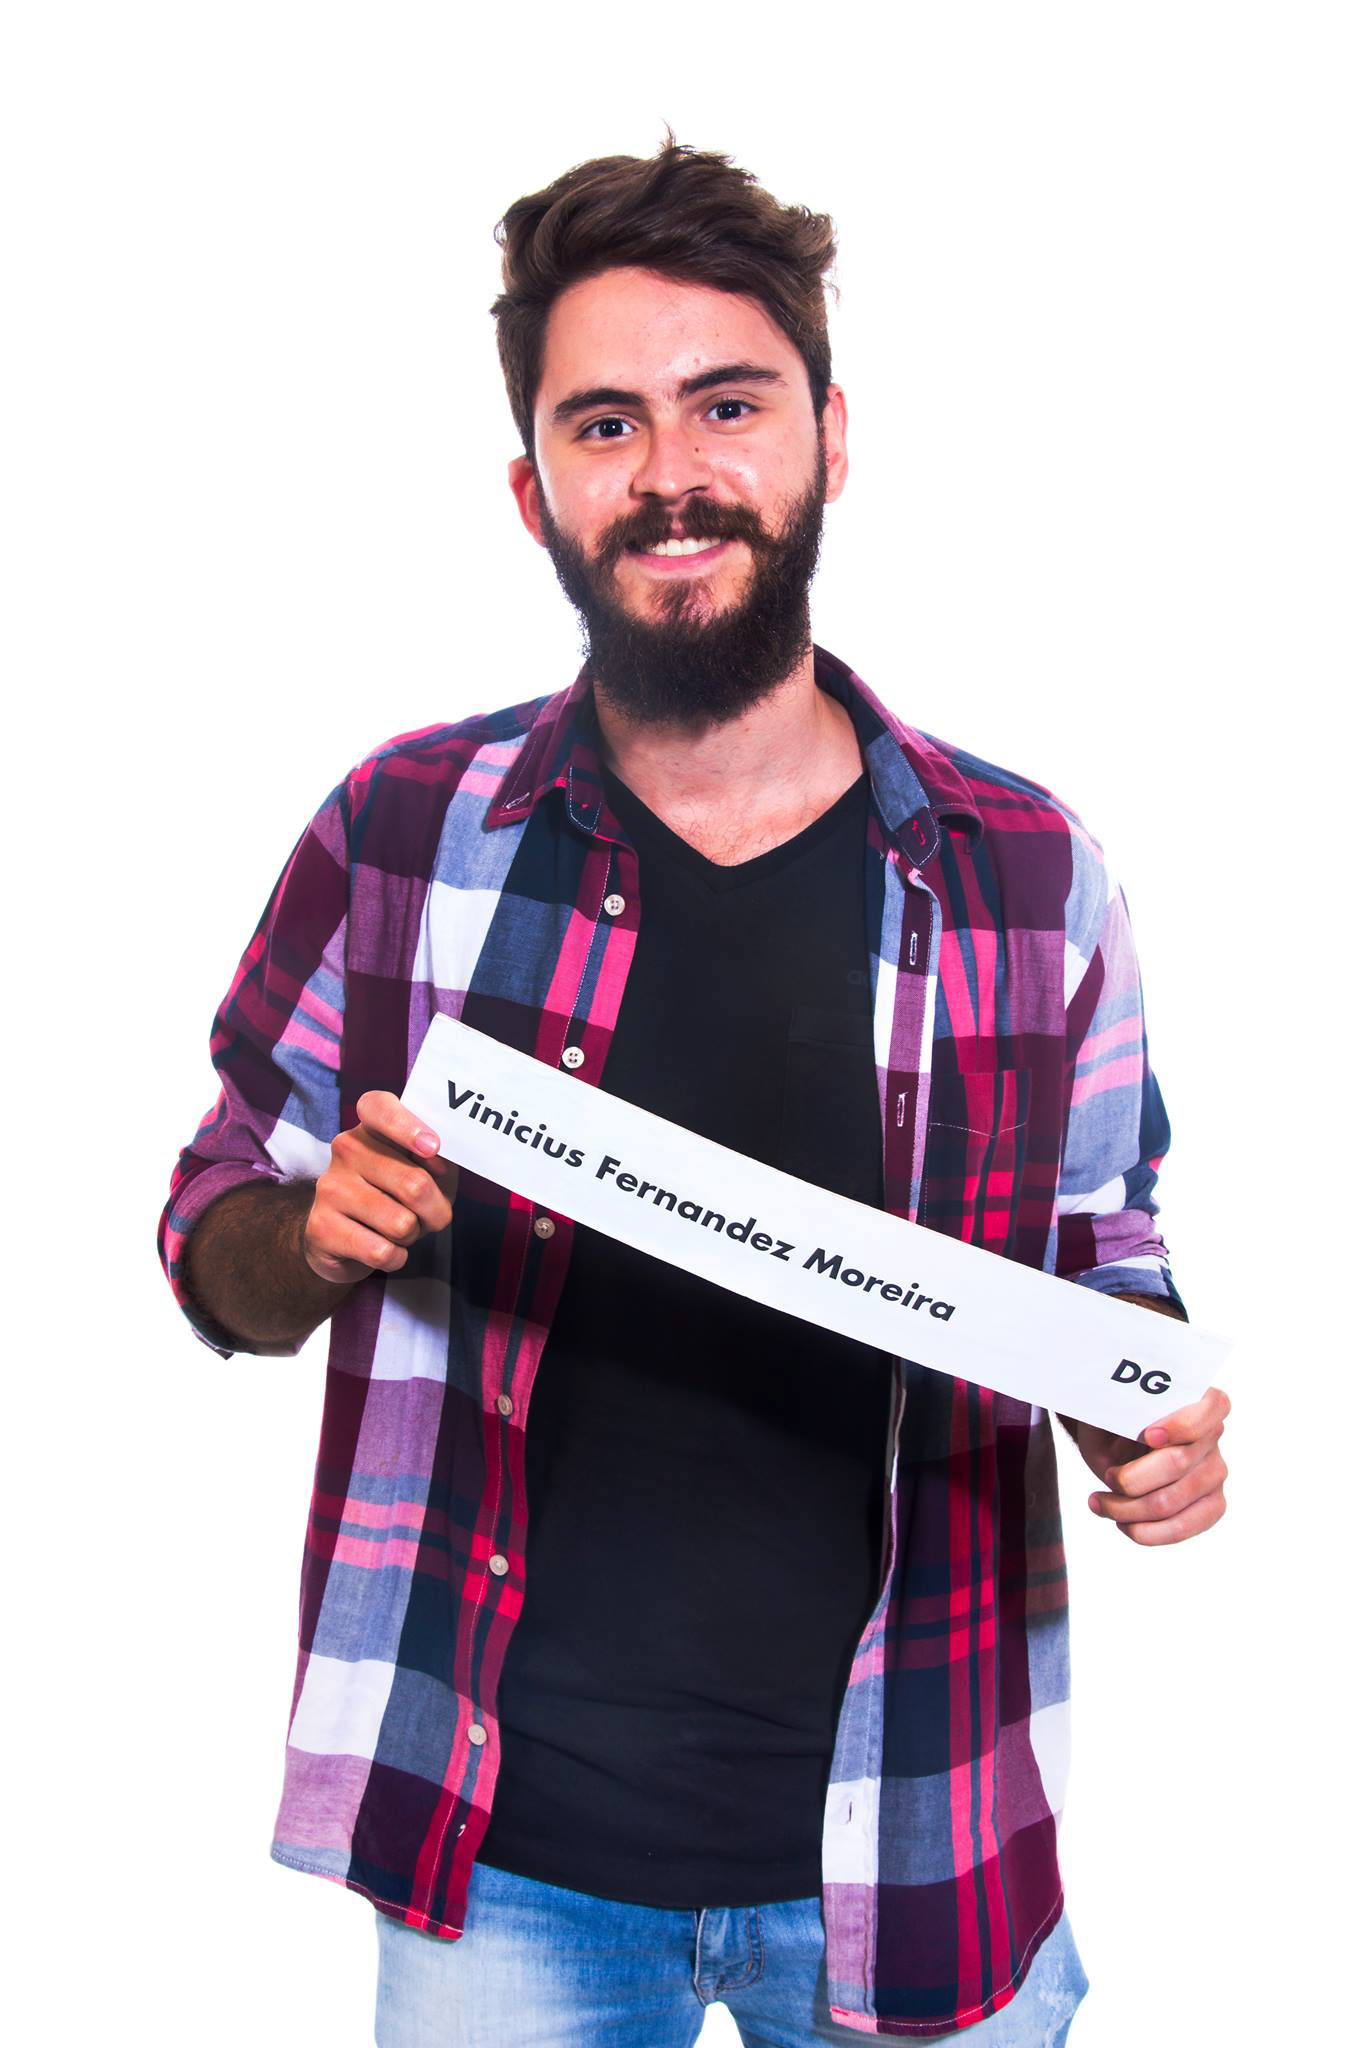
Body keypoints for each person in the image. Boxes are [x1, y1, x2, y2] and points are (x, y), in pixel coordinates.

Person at [157, 132, 1230, 2047]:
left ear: (828, 436)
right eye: (605, 424)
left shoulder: (1027, 869)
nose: (670, 473)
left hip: (922, 1833)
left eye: (726, 406)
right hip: (503, 1857)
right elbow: (213, 1232)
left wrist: (1138, 1417)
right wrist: (308, 1237)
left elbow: (1099, 1249)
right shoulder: (401, 830)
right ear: (532, 488)